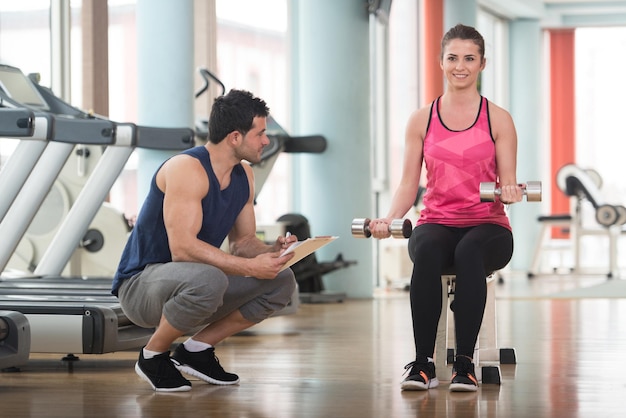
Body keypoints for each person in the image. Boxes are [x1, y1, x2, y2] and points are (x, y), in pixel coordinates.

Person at [370, 24, 523, 392]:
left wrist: (512, 191)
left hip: (489, 226)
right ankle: (424, 364)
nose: (460, 66)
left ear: (482, 64)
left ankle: (465, 365)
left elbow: (507, 182)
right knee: (425, 248)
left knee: (470, 249)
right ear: (441, 62)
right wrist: (389, 218)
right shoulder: (421, 119)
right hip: (437, 220)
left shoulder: (498, 119)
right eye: (453, 57)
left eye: (469, 58)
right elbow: (409, 183)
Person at [111, 89, 298, 392]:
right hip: (141, 285)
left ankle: (195, 351)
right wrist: (250, 267)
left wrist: (271, 252)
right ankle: (152, 355)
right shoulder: (187, 168)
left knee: (281, 279)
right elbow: (182, 249)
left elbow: (244, 242)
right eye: (260, 133)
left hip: (194, 282)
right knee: (209, 279)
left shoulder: (244, 175)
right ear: (235, 137)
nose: (266, 140)